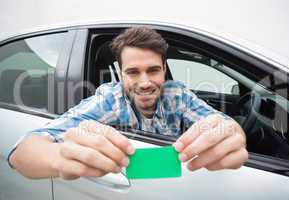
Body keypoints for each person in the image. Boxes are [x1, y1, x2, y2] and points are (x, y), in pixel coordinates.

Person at [9, 27, 248, 180]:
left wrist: (233, 134)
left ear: (164, 69)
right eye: (133, 72)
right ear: (121, 75)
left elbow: (223, 125)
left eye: (153, 70)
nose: (144, 83)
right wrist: (58, 155)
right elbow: (21, 153)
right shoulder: (109, 101)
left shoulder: (177, 94)